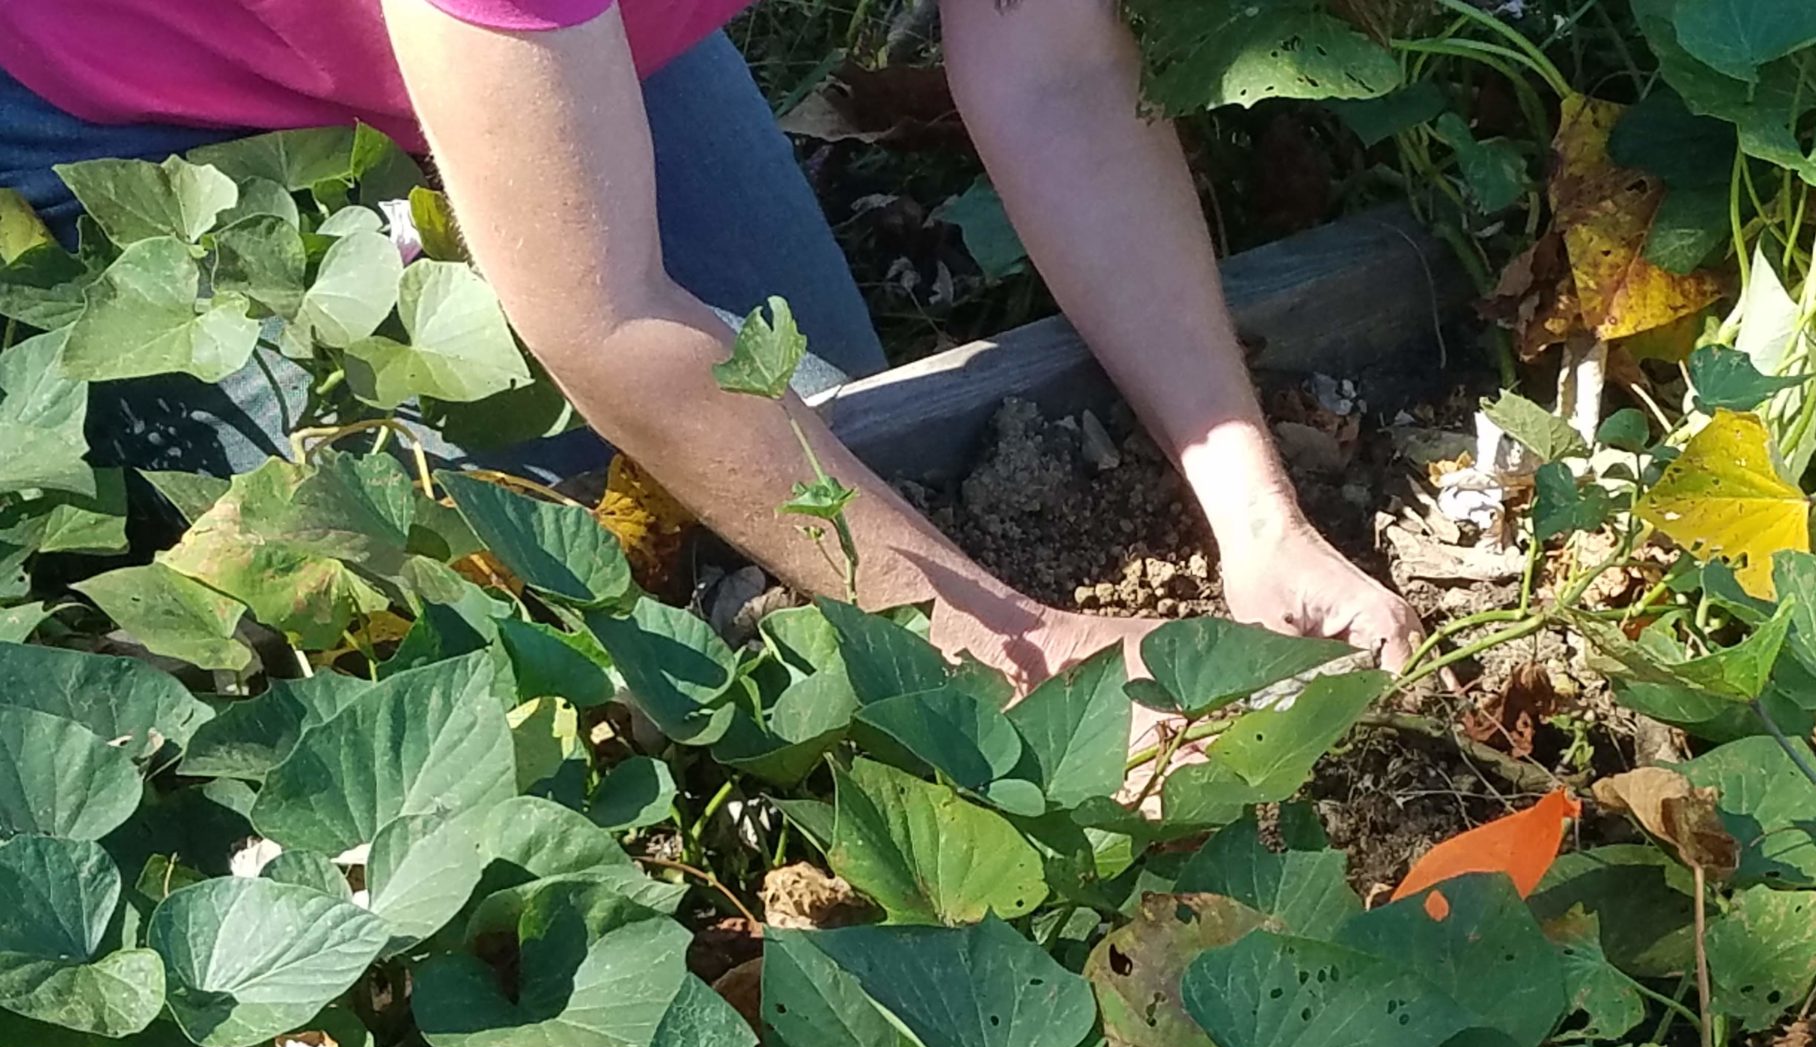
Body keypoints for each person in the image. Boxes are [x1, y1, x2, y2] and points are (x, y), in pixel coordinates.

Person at [0, 0, 1425, 693]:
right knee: (504, 604)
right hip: (151, 104)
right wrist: (1032, 648)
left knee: (828, 431)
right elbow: (609, 320)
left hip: (574, 39)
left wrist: (1257, 513)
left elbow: (1049, 70)